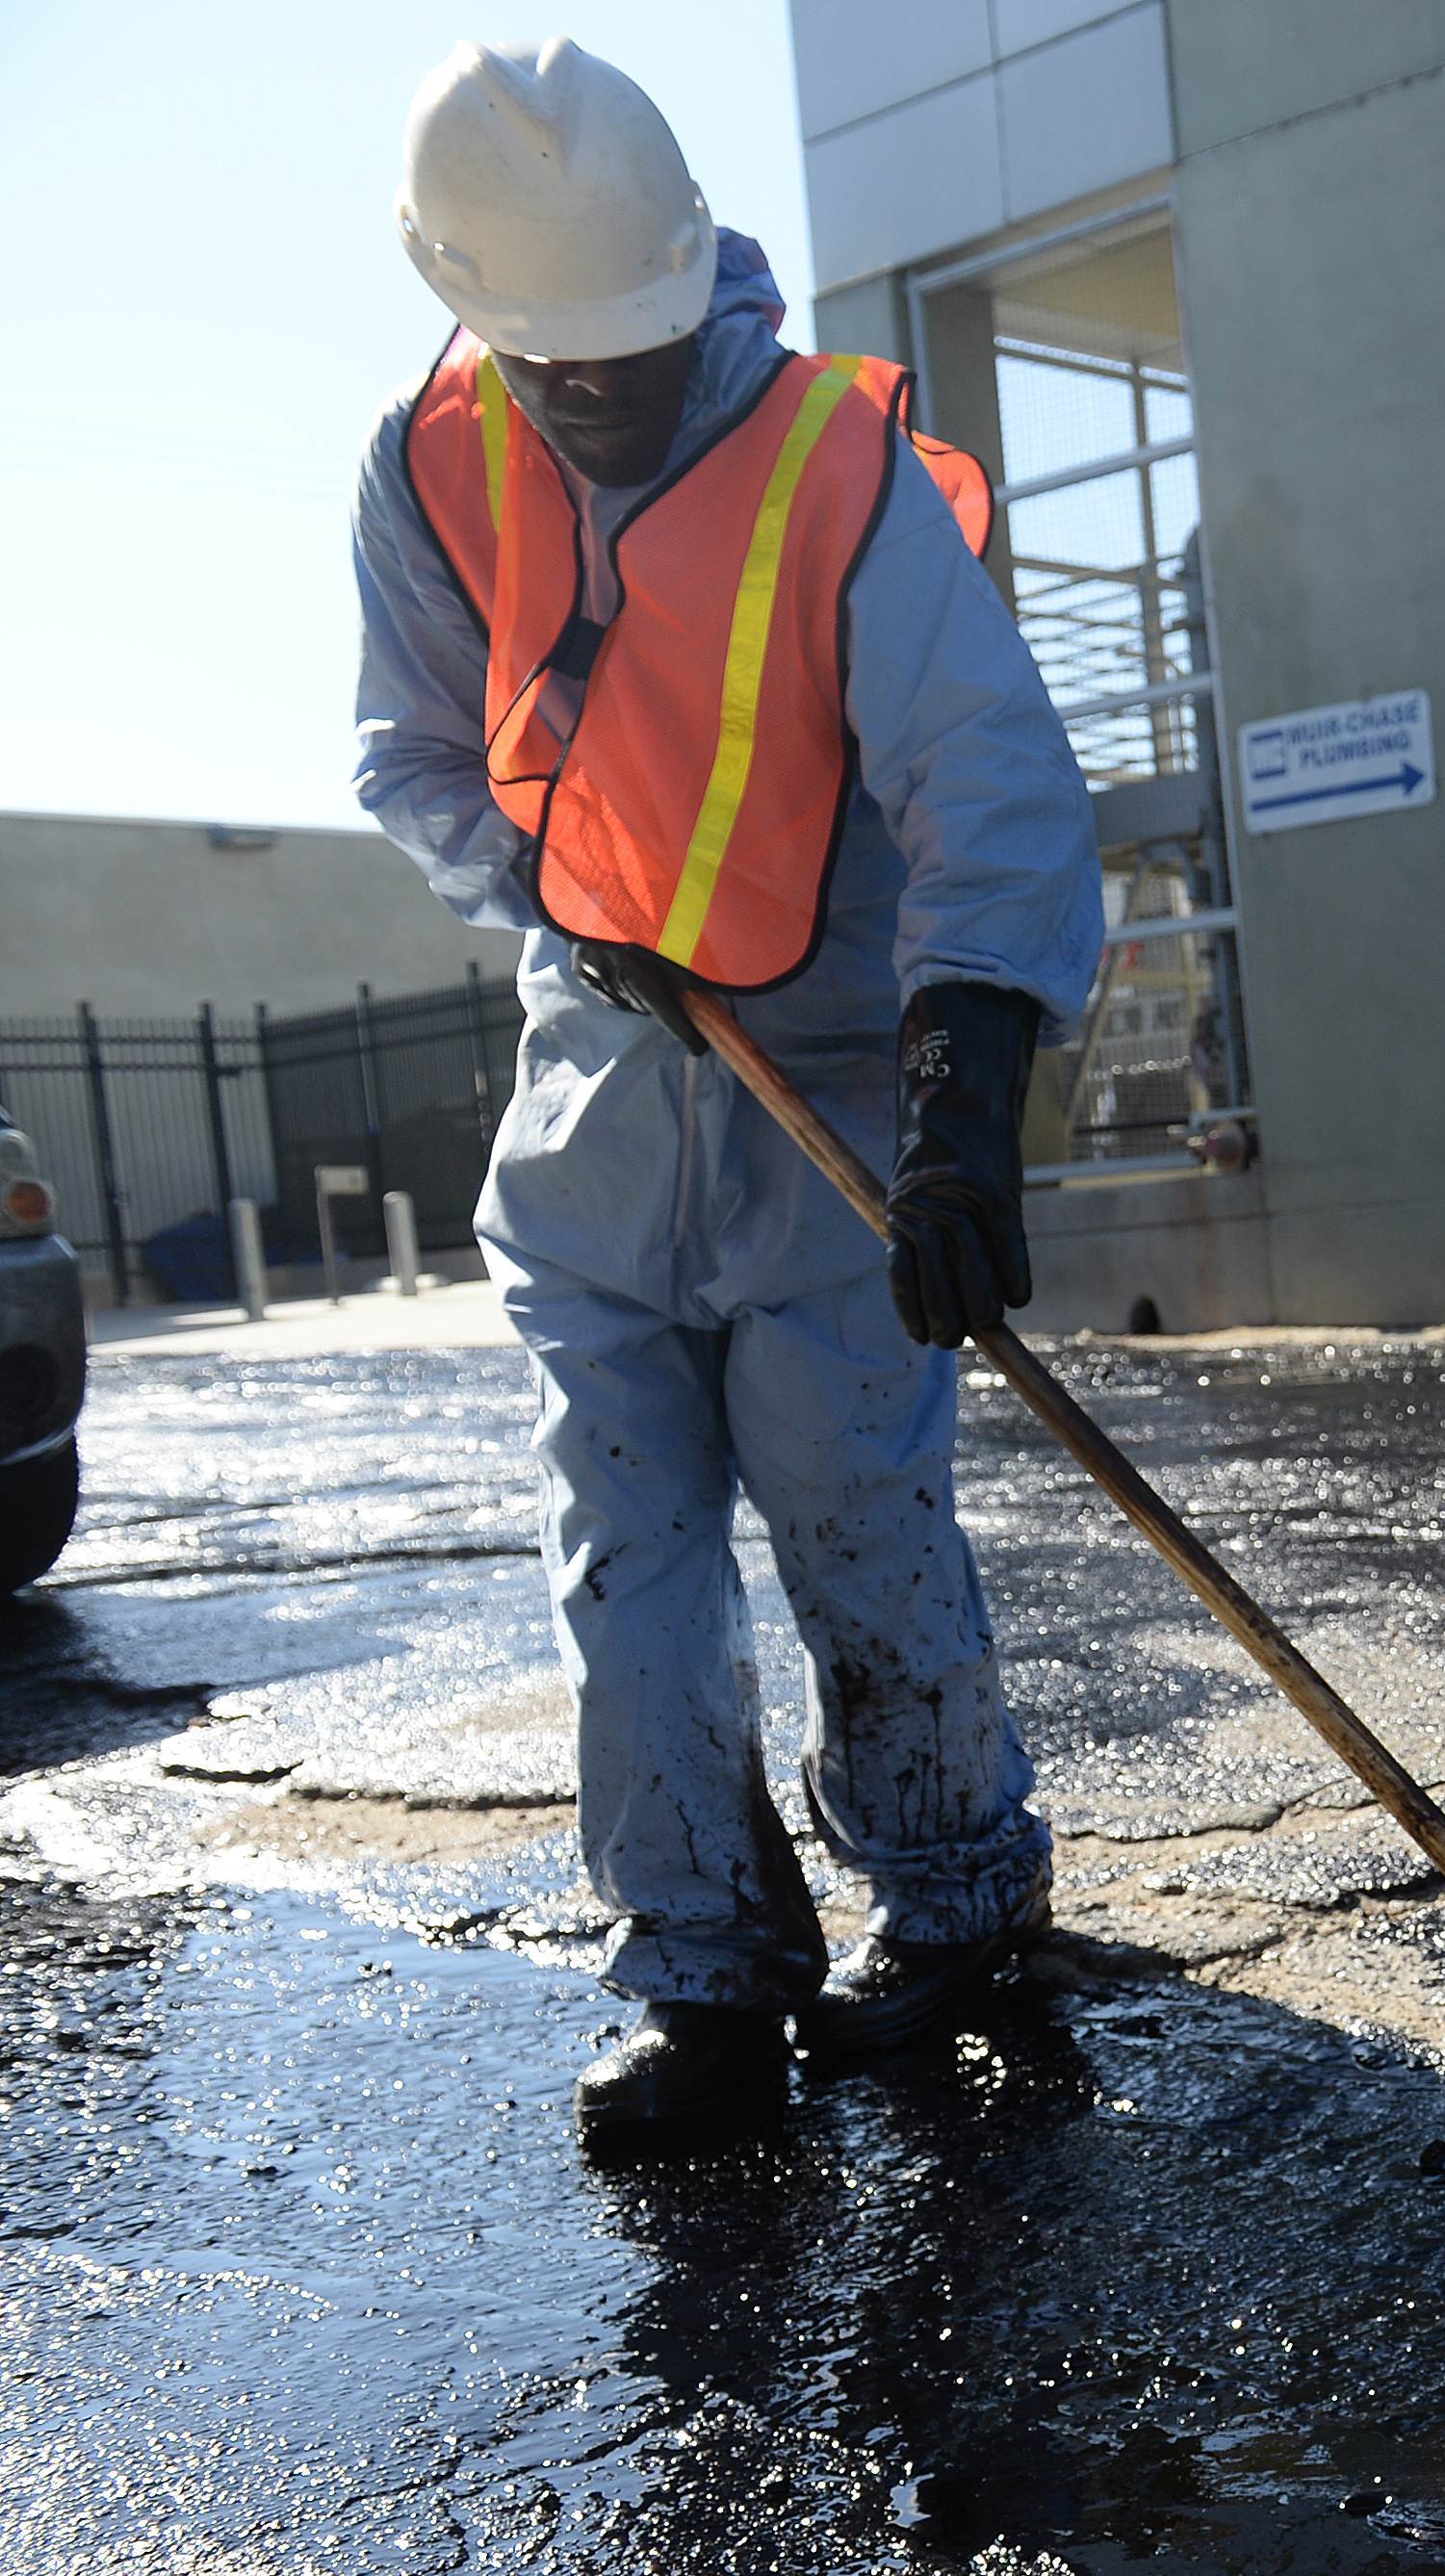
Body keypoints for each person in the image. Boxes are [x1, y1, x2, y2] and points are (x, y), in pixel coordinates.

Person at [353, 39, 1105, 2149]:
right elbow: (408, 753)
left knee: (863, 1520)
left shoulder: (824, 467)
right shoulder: (429, 464)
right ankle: (702, 1973)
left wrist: (965, 1093)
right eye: (559, 364)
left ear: (699, 278)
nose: (607, 394)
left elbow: (993, 783)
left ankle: (958, 1907)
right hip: (599, 1101)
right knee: (631, 1561)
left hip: (835, 1093)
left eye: (639, 352)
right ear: (478, 311)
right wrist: (554, 896)